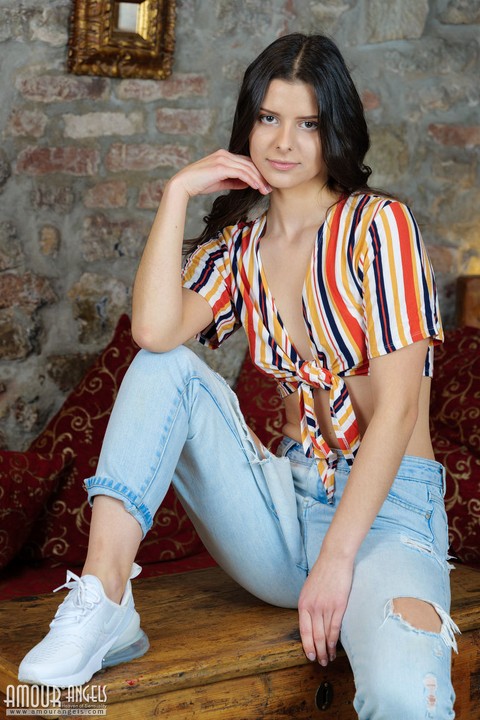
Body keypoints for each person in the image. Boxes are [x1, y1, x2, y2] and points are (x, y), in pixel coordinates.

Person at [19, 33, 459, 718]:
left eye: (307, 123)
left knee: (409, 696)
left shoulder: (380, 227)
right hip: (287, 514)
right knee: (164, 367)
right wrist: (177, 192)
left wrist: (339, 562)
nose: (284, 141)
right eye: (268, 118)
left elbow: (399, 410)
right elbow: (154, 331)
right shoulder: (242, 249)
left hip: (387, 521)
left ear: (335, 130)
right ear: (247, 125)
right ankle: (105, 598)